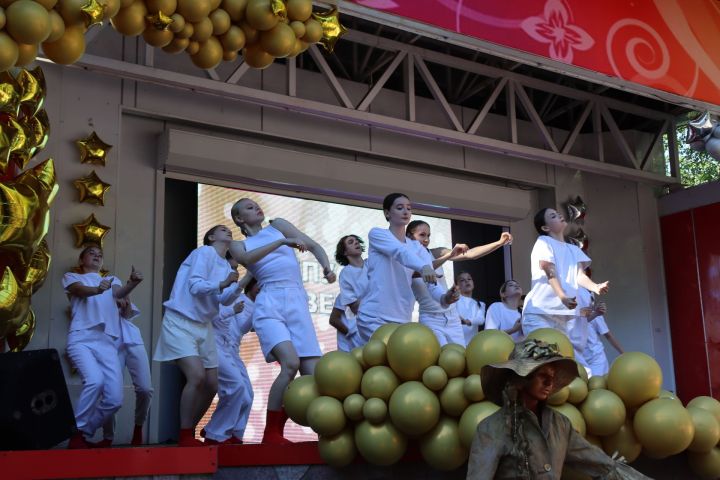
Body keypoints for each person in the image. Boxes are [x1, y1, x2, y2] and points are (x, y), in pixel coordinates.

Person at [229, 198, 335, 445]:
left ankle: (326, 434)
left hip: (297, 301)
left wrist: (327, 267)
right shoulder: (238, 244)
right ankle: (271, 433)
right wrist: (281, 242)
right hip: (269, 303)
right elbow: (248, 260)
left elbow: (312, 245)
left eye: (257, 203)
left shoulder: (279, 225)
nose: (256, 206)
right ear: (239, 219)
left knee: (314, 375)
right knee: (290, 364)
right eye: (248, 206)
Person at [467, 338, 651, 479]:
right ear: (521, 380)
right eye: (542, 375)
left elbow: (600, 463)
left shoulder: (560, 425)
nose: (549, 382)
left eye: (552, 376)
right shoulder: (491, 429)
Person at [154, 225, 242, 447]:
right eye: (222, 229)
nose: (228, 231)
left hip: (204, 326)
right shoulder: (204, 252)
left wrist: (243, 280)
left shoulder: (224, 264)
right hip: (180, 321)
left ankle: (187, 431)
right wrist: (223, 283)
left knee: (212, 384)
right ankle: (185, 435)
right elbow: (195, 286)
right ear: (211, 237)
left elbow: (223, 300)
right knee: (196, 377)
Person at [62, 245, 143, 449]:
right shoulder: (72, 277)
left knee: (115, 399)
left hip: (107, 342)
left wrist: (132, 283)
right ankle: (78, 432)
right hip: (81, 338)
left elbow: (119, 293)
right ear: (82, 260)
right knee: (95, 381)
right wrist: (97, 289)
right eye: (92, 253)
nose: (97, 255)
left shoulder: (111, 280)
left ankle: (83, 432)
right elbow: (79, 291)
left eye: (100, 254)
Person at [355, 193, 461, 343]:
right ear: (387, 213)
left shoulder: (417, 247)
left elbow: (431, 283)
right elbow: (400, 252)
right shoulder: (377, 234)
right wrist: (423, 266)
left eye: (409, 208)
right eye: (399, 208)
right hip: (374, 317)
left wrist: (445, 299)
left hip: (403, 321)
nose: (405, 211)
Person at [521, 208, 609, 348]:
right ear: (545, 227)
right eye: (553, 216)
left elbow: (579, 276)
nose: (559, 215)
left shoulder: (574, 249)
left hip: (564, 316)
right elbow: (548, 269)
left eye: (558, 213)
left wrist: (595, 287)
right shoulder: (544, 241)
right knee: (542, 359)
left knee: (564, 361)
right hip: (541, 312)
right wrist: (562, 297)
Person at [203, 260, 258, 445]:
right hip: (219, 346)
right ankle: (216, 431)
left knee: (247, 395)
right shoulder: (234, 296)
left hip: (231, 349)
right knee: (236, 389)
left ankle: (234, 433)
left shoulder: (237, 296)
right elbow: (240, 325)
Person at [96, 296, 153, 447]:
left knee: (145, 389)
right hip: (110, 345)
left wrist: (125, 301)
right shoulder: (94, 297)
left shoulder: (117, 292)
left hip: (133, 341)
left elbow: (127, 315)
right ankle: (108, 437)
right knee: (110, 392)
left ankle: (138, 426)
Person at [329, 234, 367, 352]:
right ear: (345, 252)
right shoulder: (346, 274)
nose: (356, 243)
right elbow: (334, 319)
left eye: (357, 241)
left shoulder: (372, 265)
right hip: (357, 339)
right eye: (351, 242)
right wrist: (351, 332)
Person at [455, 272, 486, 346]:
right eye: (462, 280)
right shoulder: (454, 301)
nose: (467, 281)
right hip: (455, 343)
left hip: (472, 345)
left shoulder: (480, 304)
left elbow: (481, 319)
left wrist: (467, 321)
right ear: (457, 286)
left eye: (469, 279)